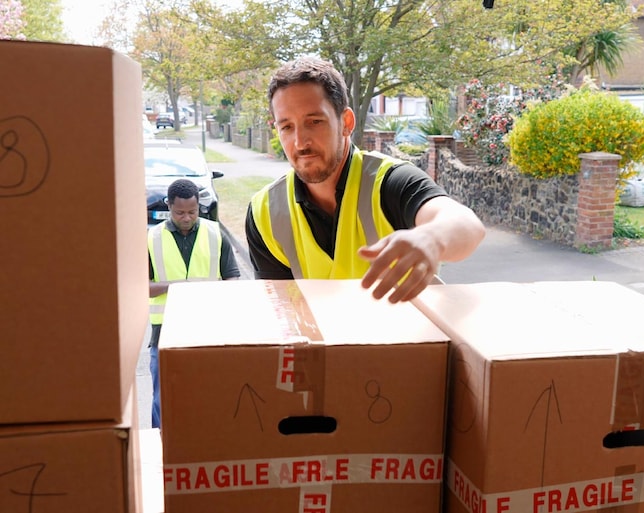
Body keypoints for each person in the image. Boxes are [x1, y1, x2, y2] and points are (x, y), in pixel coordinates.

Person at [246, 56, 485, 303]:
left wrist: (431, 239)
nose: (300, 142)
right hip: (321, 339)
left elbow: (467, 225)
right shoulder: (265, 211)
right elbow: (284, 311)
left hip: (408, 339)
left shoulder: (390, 181)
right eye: (287, 127)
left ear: (346, 122)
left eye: (314, 122)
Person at [148, 179, 240, 429]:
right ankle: (160, 448)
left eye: (192, 211)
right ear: (169, 206)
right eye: (180, 213)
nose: (186, 218)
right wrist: (179, 287)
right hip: (164, 333)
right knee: (162, 400)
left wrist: (211, 292)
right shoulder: (152, 238)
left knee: (209, 397)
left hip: (209, 331)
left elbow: (233, 278)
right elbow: (140, 288)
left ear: (199, 206)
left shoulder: (216, 234)